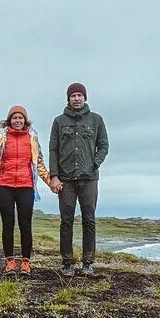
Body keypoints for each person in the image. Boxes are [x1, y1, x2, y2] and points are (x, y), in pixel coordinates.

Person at [0, 105, 53, 277]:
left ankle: (26, 263)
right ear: (9, 120)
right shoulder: (1, 139)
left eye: (21, 118)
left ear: (25, 121)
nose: (18, 121)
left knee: (26, 225)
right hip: (5, 186)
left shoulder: (32, 139)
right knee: (8, 224)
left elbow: (39, 164)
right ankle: (9, 262)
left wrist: (50, 183)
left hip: (26, 187)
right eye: (14, 118)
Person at [48, 82, 108, 277]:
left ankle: (88, 263)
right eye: (73, 95)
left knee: (89, 220)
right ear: (68, 99)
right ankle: (67, 263)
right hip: (65, 180)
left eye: (79, 95)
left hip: (89, 179)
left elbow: (104, 145)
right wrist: (54, 176)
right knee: (66, 221)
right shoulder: (58, 121)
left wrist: (94, 163)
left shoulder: (96, 120)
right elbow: (53, 150)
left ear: (85, 98)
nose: (76, 98)